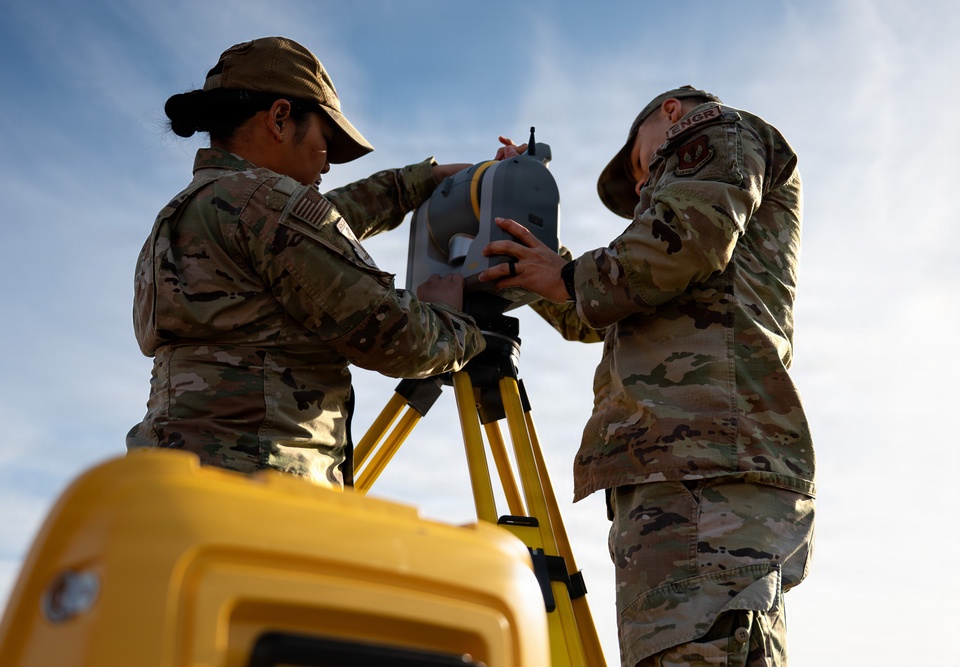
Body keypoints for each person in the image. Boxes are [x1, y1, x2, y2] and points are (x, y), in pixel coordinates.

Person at [480, 87, 815, 667]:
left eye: (641, 166)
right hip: (679, 474)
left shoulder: (718, 130)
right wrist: (527, 236)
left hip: (706, 473)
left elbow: (679, 243)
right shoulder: (659, 263)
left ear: (671, 112)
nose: (641, 186)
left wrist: (567, 274)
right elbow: (592, 304)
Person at [126, 36, 487, 489]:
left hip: (168, 489)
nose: (328, 166)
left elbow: (316, 230)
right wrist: (454, 320)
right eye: (326, 141)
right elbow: (400, 338)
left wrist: (418, 182)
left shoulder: (189, 211)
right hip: (262, 496)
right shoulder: (270, 206)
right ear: (280, 118)